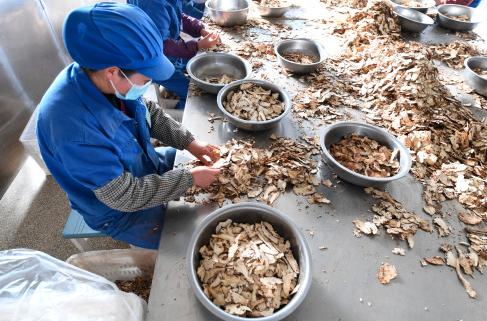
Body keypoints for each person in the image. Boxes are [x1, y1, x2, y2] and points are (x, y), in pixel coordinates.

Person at [36, 2, 220, 249]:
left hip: (142, 162)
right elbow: (123, 195)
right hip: (117, 209)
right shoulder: (73, 130)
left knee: (200, 168)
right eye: (145, 79)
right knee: (195, 242)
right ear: (113, 72)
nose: (148, 84)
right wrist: (189, 180)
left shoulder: (103, 77)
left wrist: (191, 143)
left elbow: (150, 113)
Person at [128, 0, 220, 109]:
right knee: (192, 93)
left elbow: (177, 16)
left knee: (197, 63)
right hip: (152, 61)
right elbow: (162, 46)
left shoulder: (168, 3)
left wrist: (200, 28)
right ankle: (178, 118)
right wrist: (197, 45)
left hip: (166, 54)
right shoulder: (154, 5)